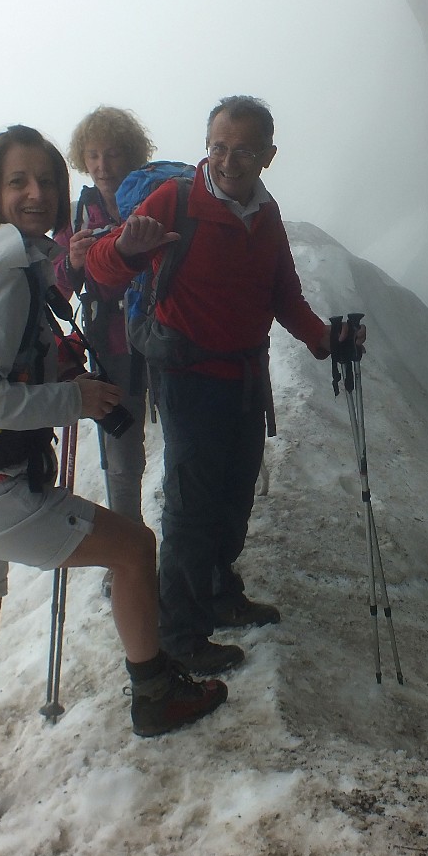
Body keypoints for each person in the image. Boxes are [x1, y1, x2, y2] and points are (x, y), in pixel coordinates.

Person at [0, 125, 226, 842]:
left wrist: (50, 375)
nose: (36, 194)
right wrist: (72, 400)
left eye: (46, 181)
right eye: (18, 182)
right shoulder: (0, 276)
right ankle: (155, 695)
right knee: (132, 549)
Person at [85, 96, 364, 675]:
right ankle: (179, 632)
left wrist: (324, 340)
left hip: (243, 375)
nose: (228, 160)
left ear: (268, 155)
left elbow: (282, 293)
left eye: (242, 150)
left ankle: (217, 591)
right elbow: (105, 271)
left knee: (234, 494)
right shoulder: (176, 201)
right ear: (206, 147)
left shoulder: (265, 214)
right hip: (187, 377)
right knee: (191, 505)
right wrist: (126, 247)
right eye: (218, 147)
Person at [54, 106, 155, 599]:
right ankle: (128, 558)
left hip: (161, 337)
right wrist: (71, 264)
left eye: (111, 152)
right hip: (113, 346)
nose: (101, 164)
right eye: (92, 154)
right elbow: (60, 286)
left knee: (180, 444)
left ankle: (165, 555)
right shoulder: (80, 213)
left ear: (130, 153)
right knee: (121, 455)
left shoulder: (152, 195)